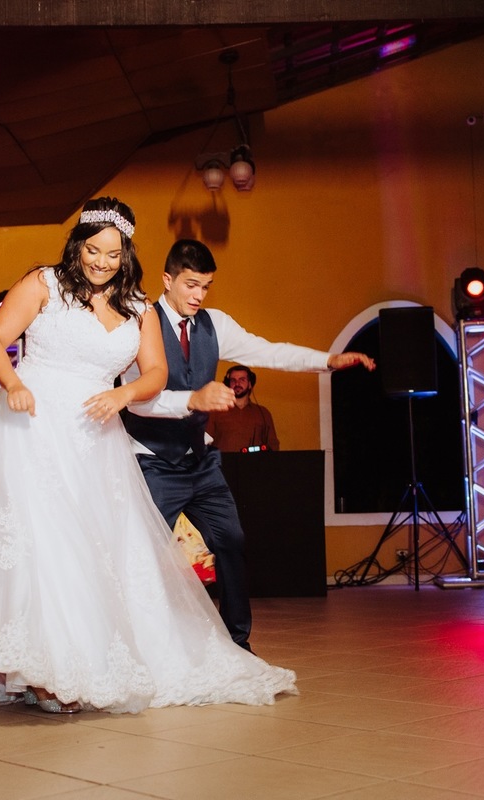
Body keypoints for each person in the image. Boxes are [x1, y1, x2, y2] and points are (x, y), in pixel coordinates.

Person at [0, 198, 296, 714]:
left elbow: (155, 373)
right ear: (77, 245)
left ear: (126, 252)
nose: (102, 262)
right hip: (33, 425)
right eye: (93, 250)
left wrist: (123, 394)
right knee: (44, 545)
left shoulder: (137, 307)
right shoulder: (44, 283)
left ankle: (84, 657)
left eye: (113, 253)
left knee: (95, 548)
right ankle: (41, 671)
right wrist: (13, 384)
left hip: (96, 435)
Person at [121, 239, 375, 651]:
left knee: (232, 541)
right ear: (167, 280)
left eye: (206, 286)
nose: (199, 296)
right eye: (190, 285)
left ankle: (237, 643)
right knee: (143, 556)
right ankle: (138, 645)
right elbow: (136, 400)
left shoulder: (215, 324)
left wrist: (327, 360)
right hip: (153, 461)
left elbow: (268, 351)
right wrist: (193, 399)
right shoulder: (139, 325)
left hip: (200, 460)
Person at [205, 365, 279, 451]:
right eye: (233, 380)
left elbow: (273, 445)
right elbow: (204, 443)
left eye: (242, 380)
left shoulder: (263, 413)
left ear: (250, 384)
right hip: (223, 460)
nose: (237, 383)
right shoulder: (216, 410)